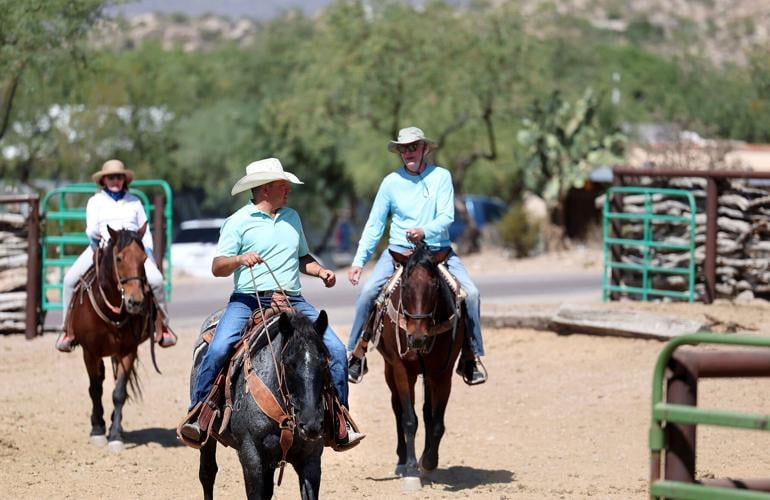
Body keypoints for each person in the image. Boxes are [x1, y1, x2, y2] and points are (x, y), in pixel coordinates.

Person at [180, 157, 365, 449]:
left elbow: (302, 258)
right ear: (266, 189)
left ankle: (338, 419)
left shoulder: (292, 217)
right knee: (217, 348)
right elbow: (217, 266)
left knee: (336, 351)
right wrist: (240, 259)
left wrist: (321, 271)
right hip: (248, 300)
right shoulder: (237, 222)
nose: (288, 190)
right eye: (283, 185)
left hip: (293, 298)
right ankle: (199, 413)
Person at [347, 126, 487, 385]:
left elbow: (447, 216)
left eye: (413, 147)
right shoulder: (390, 183)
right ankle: (357, 352)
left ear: (424, 149)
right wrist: (359, 261)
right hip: (399, 254)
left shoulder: (441, 177)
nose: (408, 152)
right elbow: (375, 225)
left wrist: (425, 231)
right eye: (403, 148)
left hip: (437, 253)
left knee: (472, 293)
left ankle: (471, 356)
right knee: (368, 294)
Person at [55, 159, 176, 352]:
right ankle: (68, 330)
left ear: (124, 180)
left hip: (133, 251)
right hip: (102, 247)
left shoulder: (134, 202)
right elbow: (91, 229)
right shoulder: (95, 201)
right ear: (103, 180)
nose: (115, 181)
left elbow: (145, 231)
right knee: (70, 280)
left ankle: (162, 325)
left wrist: (149, 256)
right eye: (111, 177)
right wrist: (100, 237)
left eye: (119, 177)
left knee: (156, 280)